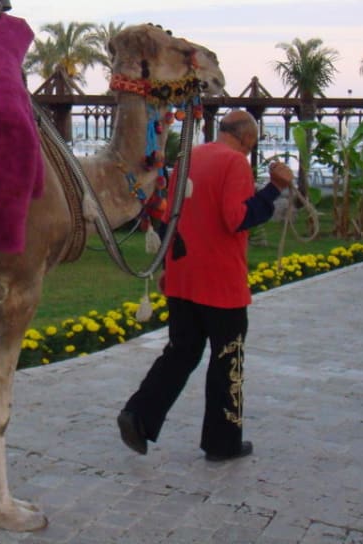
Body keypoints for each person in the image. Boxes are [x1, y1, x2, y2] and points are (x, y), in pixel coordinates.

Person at [117, 110, 294, 462]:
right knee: (227, 359)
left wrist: (168, 266)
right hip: (220, 282)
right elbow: (237, 218)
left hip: (184, 277)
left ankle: (138, 414)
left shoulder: (189, 157)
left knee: (181, 352)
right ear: (247, 139)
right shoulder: (235, 163)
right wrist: (274, 189)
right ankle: (222, 442)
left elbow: (169, 216)